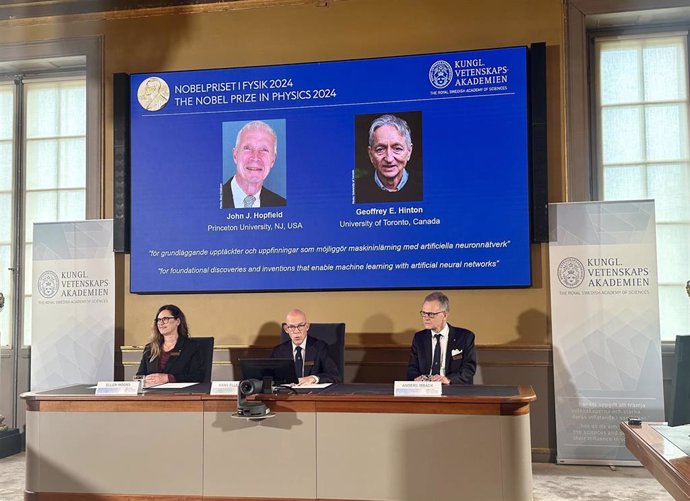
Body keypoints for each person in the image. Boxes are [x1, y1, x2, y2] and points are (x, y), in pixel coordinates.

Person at [406, 291, 477, 385]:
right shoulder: (419, 338)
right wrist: (417, 379)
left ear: (444, 315)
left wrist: (448, 380)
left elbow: (469, 369)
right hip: (425, 389)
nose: (426, 318)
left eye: (431, 314)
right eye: (424, 313)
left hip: (452, 388)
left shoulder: (465, 337)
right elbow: (412, 368)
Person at [355, 114, 423, 203]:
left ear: (409, 151)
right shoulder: (356, 191)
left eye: (397, 149)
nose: (389, 159)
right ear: (370, 154)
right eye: (380, 149)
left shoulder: (425, 186)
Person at [221, 120, 286, 208]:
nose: (255, 157)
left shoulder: (281, 204)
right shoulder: (213, 200)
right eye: (247, 148)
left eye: (264, 150)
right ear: (235, 155)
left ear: (273, 160)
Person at [136, 304, 204, 387]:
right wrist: (144, 380)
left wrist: (168, 378)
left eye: (165, 319)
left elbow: (197, 376)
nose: (161, 323)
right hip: (152, 394)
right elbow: (139, 376)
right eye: (159, 320)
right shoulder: (150, 348)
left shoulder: (191, 347)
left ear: (177, 321)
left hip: (180, 395)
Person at [271, 309, 340, 385]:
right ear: (286, 329)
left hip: (313, 395)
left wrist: (314, 378)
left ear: (307, 326)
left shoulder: (319, 347)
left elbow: (334, 375)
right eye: (292, 327)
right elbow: (269, 377)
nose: (296, 331)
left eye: (300, 326)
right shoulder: (278, 351)